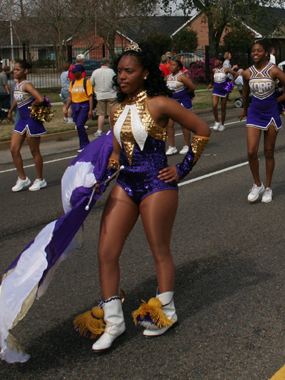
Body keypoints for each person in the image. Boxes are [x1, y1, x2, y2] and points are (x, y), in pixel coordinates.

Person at [90, 44, 211, 350]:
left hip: (157, 184)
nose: (122, 76)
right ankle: (114, 322)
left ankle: (165, 312)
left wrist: (181, 169)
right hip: (127, 184)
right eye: (119, 71)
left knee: (159, 250)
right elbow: (117, 155)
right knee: (106, 251)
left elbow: (201, 130)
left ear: (145, 73)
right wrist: (101, 178)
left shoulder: (160, 104)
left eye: (129, 71)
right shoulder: (117, 109)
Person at [238, 40, 285, 204]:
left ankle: (269, 188)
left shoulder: (274, 70)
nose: (255, 53)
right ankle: (258, 184)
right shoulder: (247, 73)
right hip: (255, 113)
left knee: (269, 152)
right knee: (251, 152)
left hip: (271, 113)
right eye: (253, 51)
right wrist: (245, 109)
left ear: (266, 53)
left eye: (259, 51)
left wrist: (277, 101)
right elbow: (245, 92)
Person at [6, 60, 46, 192]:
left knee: (34, 151)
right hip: (21, 120)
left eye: (17, 69)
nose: (14, 71)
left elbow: (40, 99)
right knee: (14, 149)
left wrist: (32, 106)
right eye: (14, 69)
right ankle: (23, 179)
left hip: (31, 120)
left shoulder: (27, 85)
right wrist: (11, 110)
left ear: (25, 71)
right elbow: (17, 101)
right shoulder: (16, 85)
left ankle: (40, 179)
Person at [164, 59, 196, 155]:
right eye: (171, 65)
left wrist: (184, 94)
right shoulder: (168, 77)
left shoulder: (182, 76)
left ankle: (186, 145)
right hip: (172, 103)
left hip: (183, 102)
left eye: (174, 65)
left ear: (178, 67)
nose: (171, 66)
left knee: (184, 124)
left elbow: (192, 87)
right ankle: (172, 146)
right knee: (169, 125)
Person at [64, 64, 94, 152]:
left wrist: (90, 109)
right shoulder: (72, 83)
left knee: (80, 125)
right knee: (78, 126)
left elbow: (90, 96)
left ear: (80, 72)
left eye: (75, 72)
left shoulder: (86, 81)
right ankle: (83, 144)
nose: (73, 74)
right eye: (72, 72)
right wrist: (66, 107)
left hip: (84, 105)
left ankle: (85, 145)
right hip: (75, 105)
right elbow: (70, 97)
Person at [91, 58, 117, 137]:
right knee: (110, 113)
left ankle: (99, 130)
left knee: (101, 114)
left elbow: (91, 82)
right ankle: (112, 129)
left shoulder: (95, 72)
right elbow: (115, 82)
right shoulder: (112, 72)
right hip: (111, 94)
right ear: (107, 63)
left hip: (100, 95)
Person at [210, 58, 237, 131]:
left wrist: (232, 81)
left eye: (217, 60)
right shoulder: (214, 70)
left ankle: (222, 124)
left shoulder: (226, 70)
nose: (215, 61)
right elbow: (213, 78)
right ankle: (217, 121)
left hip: (223, 90)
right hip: (216, 89)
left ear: (221, 61)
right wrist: (211, 84)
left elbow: (236, 74)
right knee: (214, 105)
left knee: (223, 108)